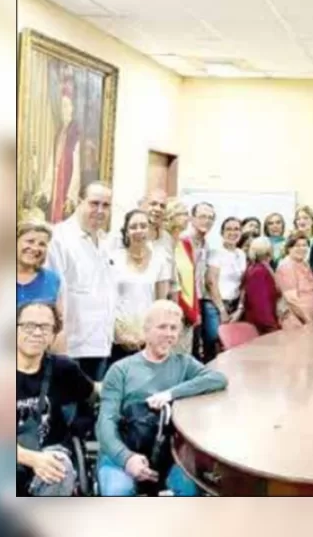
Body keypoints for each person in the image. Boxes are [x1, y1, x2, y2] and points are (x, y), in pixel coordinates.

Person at [96, 300, 227, 496]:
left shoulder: (184, 364)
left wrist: (171, 393)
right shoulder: (121, 370)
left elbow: (218, 379)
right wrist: (126, 458)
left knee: (189, 490)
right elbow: (104, 425)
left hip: (170, 453)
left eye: (174, 328)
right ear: (146, 331)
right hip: (126, 447)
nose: (169, 334)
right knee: (117, 491)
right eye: (162, 327)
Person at [16, 301, 96, 496]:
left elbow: (91, 396)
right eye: (28, 325)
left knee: (60, 467)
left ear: (53, 334)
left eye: (45, 327)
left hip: (50, 452)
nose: (36, 333)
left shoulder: (64, 369)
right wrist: (29, 458)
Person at [45, 181, 115, 381]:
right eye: (94, 203)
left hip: (101, 343)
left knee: (93, 409)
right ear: (79, 202)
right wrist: (58, 338)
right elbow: (54, 291)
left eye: (106, 205)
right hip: (71, 345)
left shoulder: (105, 240)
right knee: (68, 410)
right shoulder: (59, 238)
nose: (100, 210)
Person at [110, 209, 172, 364]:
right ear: (126, 232)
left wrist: (150, 335)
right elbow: (106, 300)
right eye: (133, 227)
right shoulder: (113, 259)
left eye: (143, 226)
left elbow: (161, 304)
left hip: (147, 336)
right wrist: (119, 333)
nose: (138, 231)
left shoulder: (161, 260)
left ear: (150, 230)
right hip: (117, 336)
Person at [204, 217, 246, 362]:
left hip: (234, 305)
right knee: (214, 341)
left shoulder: (241, 254)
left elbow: (243, 283)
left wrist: (240, 308)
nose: (233, 232)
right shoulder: (216, 252)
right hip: (215, 305)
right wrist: (222, 310)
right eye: (229, 229)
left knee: (230, 346)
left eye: (237, 229)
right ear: (222, 233)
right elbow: (211, 282)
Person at [165, 199, 199, 356]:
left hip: (189, 309)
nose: (188, 218)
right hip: (173, 308)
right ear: (171, 216)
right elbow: (172, 280)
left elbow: (191, 280)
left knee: (184, 356)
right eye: (184, 214)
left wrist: (194, 310)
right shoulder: (165, 242)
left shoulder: (185, 244)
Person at [188, 202, 217, 361]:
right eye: (202, 216)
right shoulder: (184, 240)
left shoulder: (206, 244)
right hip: (185, 300)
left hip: (199, 298)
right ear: (192, 219)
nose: (206, 221)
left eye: (210, 218)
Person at [16, 220, 63, 316]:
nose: (35, 248)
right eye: (30, 241)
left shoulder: (52, 280)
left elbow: (59, 322)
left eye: (42, 244)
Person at [275, 232, 313, 329]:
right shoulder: (286, 266)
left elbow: (312, 292)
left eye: (304, 245)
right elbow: (292, 300)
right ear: (289, 248)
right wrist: (308, 321)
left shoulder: (305, 264)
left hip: (311, 319)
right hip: (296, 320)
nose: (302, 248)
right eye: (297, 246)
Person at [241, 236, 281, 335]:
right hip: (262, 326)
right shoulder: (259, 271)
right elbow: (261, 303)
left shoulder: (263, 268)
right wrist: (271, 326)